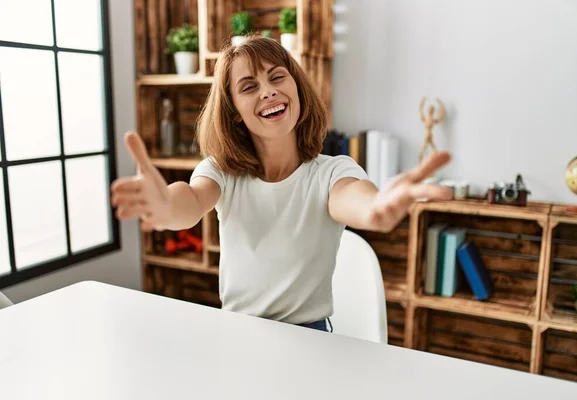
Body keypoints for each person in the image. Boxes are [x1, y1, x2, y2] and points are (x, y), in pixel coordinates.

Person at [110, 35, 452, 332]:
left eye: (277, 77)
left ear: (297, 88)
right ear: (234, 112)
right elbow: (188, 203)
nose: (269, 91)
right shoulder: (221, 172)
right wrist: (165, 207)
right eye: (249, 86)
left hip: (309, 338)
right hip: (238, 335)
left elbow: (356, 201)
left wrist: (377, 208)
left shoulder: (331, 172)